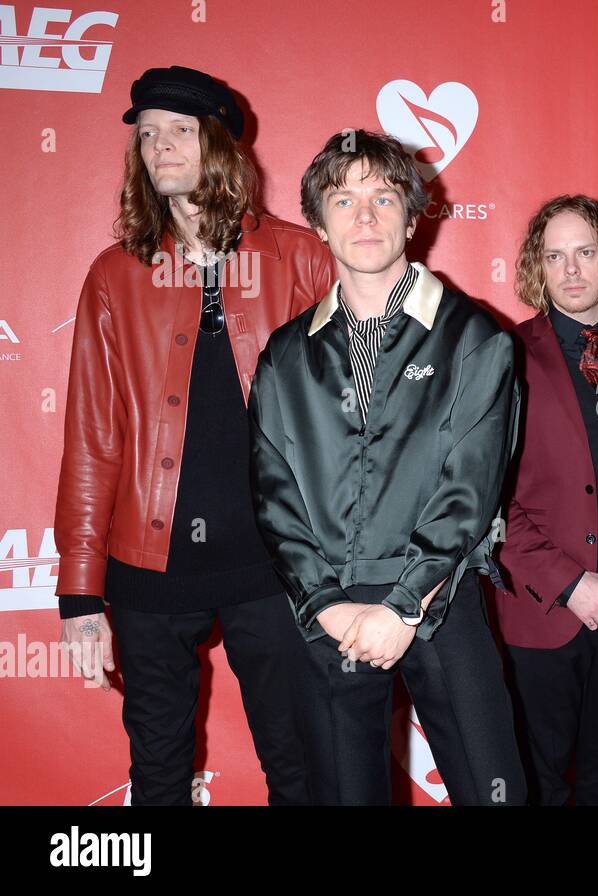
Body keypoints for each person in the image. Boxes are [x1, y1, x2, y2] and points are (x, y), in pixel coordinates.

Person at [55, 65, 329, 806]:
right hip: (148, 567)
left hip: (275, 565)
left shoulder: (301, 258)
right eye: (147, 134)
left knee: (301, 765)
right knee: (159, 775)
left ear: (220, 145)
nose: (160, 146)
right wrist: (81, 591)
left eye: (179, 129)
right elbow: (92, 434)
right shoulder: (115, 275)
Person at [250, 129, 525, 805]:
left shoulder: (477, 338)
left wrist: (402, 607)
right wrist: (326, 606)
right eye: (343, 201)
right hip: (330, 611)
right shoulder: (285, 356)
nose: (365, 217)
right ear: (317, 221)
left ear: (413, 212)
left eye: (382, 197)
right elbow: (274, 497)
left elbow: (470, 489)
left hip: (439, 605)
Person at [493, 195, 598, 805]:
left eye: (585, 252)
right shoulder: (502, 357)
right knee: (535, 783)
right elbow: (486, 498)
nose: (570, 270)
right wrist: (567, 583)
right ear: (537, 267)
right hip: (543, 612)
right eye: (554, 255)